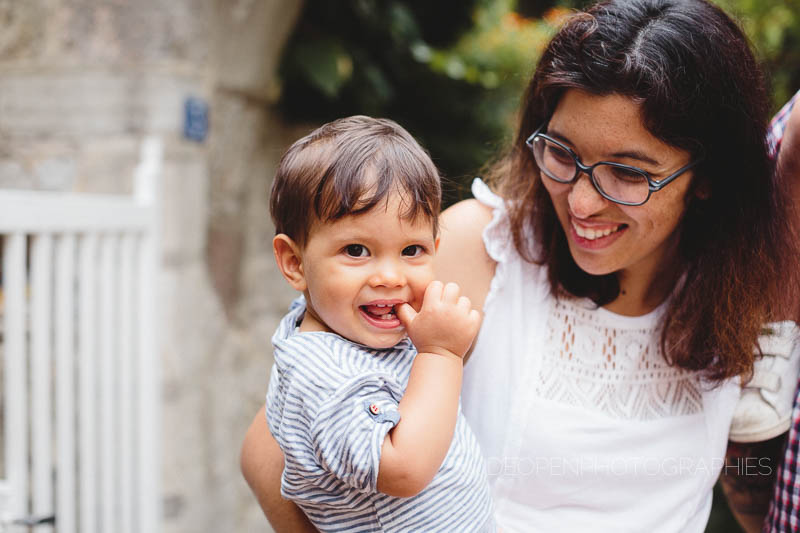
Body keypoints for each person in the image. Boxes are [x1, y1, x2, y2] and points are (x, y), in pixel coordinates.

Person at [241, 1, 800, 531]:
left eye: (629, 174)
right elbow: (269, 449)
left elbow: (751, 488)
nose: (581, 203)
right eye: (561, 153)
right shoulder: (474, 249)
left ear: (706, 178)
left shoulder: (737, 283)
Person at [265, 115, 494, 532]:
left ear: (436, 249)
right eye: (356, 250)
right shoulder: (323, 375)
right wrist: (441, 354)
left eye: (412, 250)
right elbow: (404, 469)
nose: (391, 276)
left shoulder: (348, 329)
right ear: (295, 263)